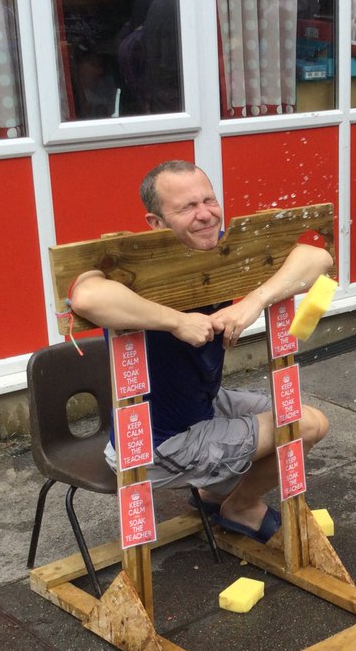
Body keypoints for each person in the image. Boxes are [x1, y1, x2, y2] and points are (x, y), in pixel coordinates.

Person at [69, 161, 332, 543]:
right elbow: (86, 294)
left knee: (306, 417)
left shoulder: (221, 247)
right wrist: (176, 321)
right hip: (155, 444)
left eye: (209, 199)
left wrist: (254, 301)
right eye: (187, 207)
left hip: (203, 409)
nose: (205, 214)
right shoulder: (132, 267)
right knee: (304, 425)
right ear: (156, 223)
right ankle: (239, 506)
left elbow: (317, 257)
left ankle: (214, 494)